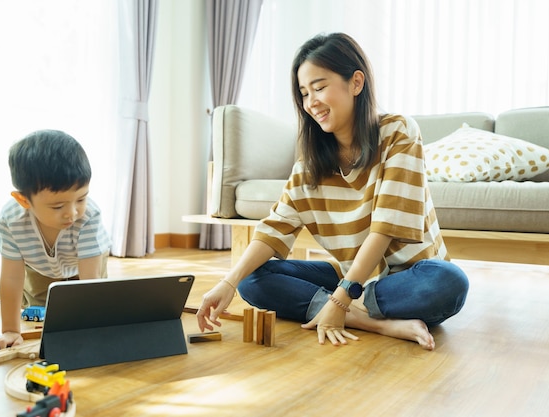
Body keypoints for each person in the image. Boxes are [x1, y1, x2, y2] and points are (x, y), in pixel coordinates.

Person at [196, 33, 469, 350]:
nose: (311, 102)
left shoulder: (398, 132)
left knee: (449, 282)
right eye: (304, 92)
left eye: (320, 87)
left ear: (356, 83)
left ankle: (339, 310)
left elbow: (384, 229)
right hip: (351, 279)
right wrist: (226, 283)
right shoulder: (309, 166)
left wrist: (339, 304)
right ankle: (368, 321)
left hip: (408, 278)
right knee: (251, 277)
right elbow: (273, 231)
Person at [0, 130, 111, 352]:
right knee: (41, 308)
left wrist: (91, 328)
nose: (72, 213)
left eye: (81, 198)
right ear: (23, 200)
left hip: (84, 262)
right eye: (58, 206)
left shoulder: (89, 216)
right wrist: (11, 330)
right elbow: (11, 276)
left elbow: (90, 282)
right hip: (39, 264)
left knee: (83, 304)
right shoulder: (12, 220)